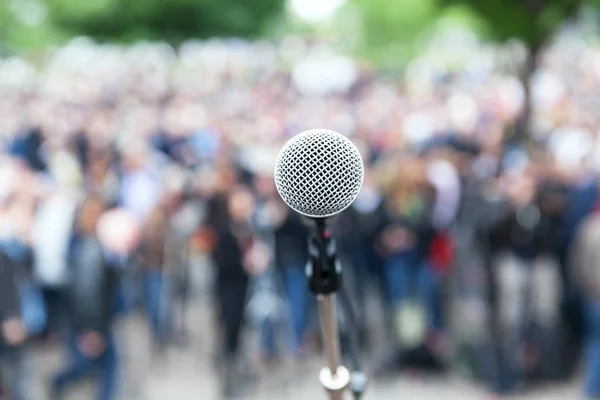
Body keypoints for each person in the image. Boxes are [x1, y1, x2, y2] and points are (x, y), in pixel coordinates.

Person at [51, 196, 121, 400]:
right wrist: (91, 329)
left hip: (91, 320)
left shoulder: (88, 245)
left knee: (97, 367)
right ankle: (58, 382)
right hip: (90, 322)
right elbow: (86, 292)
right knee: (93, 368)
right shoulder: (90, 249)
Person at [212, 185, 268, 398]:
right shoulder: (224, 229)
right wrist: (243, 262)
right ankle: (229, 372)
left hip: (250, 287)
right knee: (231, 331)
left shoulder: (253, 228)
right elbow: (221, 260)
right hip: (230, 288)